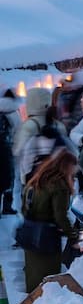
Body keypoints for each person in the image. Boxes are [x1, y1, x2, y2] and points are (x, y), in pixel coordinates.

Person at [20, 149, 79, 290]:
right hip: (47, 238)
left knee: (33, 278)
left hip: (30, 234)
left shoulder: (37, 181)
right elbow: (60, 216)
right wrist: (73, 235)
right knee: (47, 282)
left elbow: (24, 208)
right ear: (67, 167)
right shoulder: (59, 186)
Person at [1, 86, 20, 214]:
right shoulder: (14, 112)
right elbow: (19, 133)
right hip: (8, 150)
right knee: (9, 178)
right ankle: (7, 207)